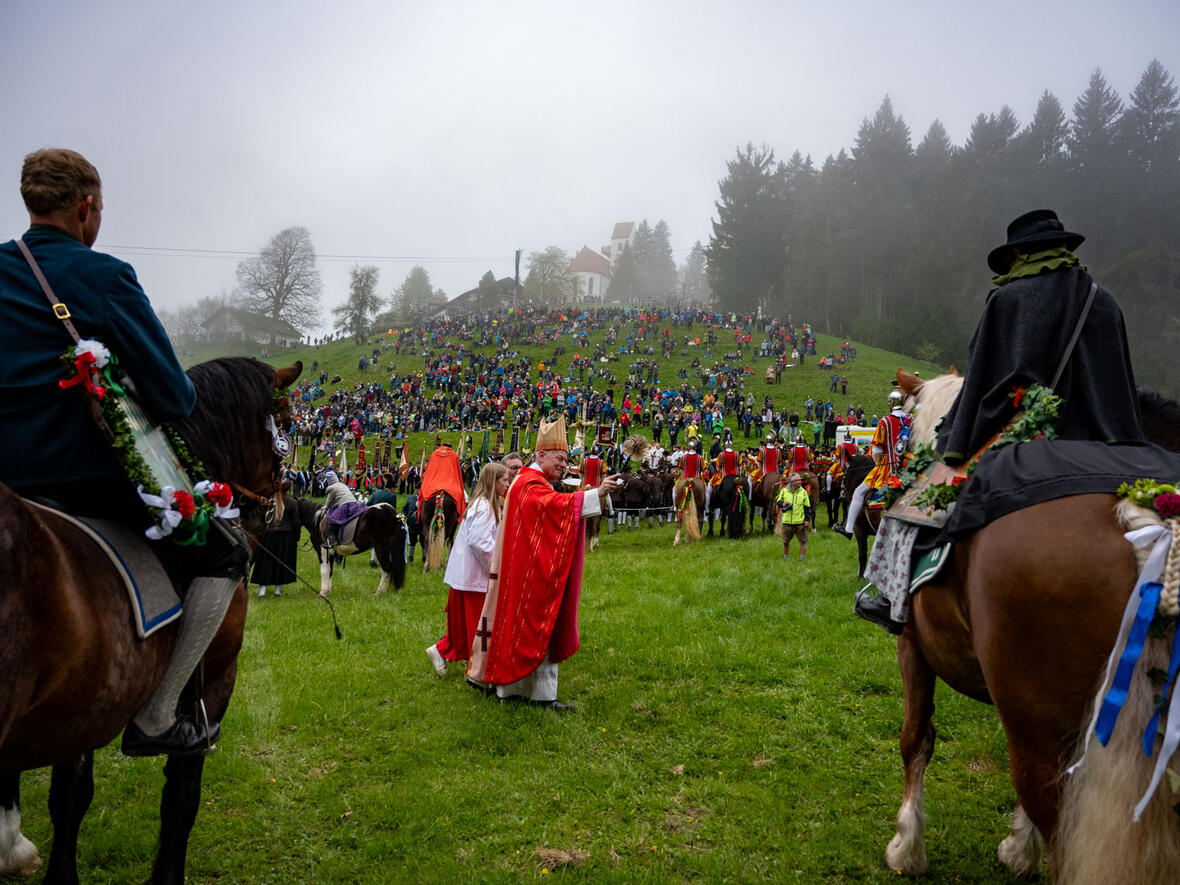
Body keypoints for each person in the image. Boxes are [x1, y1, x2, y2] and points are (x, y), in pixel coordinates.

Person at [0, 148, 247, 756]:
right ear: (86, 209)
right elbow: (173, 393)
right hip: (84, 478)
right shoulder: (106, 277)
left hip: (6, 478)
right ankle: (159, 714)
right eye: (100, 210)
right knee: (225, 552)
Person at [936, 209, 1144, 464]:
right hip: (1110, 439)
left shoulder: (1007, 300)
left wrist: (955, 440)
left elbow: (982, 376)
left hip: (1028, 435)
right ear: (1064, 246)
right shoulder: (1104, 300)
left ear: (1017, 254)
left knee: (962, 497)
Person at [466, 417, 619, 710]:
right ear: (540, 455)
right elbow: (551, 507)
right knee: (538, 622)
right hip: (529, 571)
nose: (563, 464)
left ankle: (518, 691)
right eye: (559, 458)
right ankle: (538, 696)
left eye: (565, 459)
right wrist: (593, 495)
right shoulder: (529, 483)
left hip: (525, 567)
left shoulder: (532, 482)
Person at [426, 462, 508, 676]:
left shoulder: (484, 505)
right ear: (493, 481)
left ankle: (441, 650)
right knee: (479, 629)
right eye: (504, 479)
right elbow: (480, 542)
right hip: (476, 578)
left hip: (470, 576)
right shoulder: (484, 507)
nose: (507, 483)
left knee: (466, 629)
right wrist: (495, 569)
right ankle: (482, 671)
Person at [836, 387, 906, 539]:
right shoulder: (909, 421)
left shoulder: (884, 422)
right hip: (907, 467)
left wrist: (878, 465)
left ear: (892, 403)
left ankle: (848, 529)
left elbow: (876, 452)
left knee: (858, 493)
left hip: (887, 468)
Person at [251, 485, 299, 597]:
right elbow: (296, 522)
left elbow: (262, 517)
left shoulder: (269, 500)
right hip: (286, 536)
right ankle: (278, 589)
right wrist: (296, 537)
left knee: (265, 561)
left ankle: (262, 590)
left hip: (269, 534)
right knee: (282, 561)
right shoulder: (292, 502)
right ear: (289, 489)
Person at [777, 474, 811, 559]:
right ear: (792, 482)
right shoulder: (784, 491)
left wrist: (807, 519)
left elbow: (807, 507)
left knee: (803, 541)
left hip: (800, 522)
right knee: (785, 542)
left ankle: (802, 558)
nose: (800, 481)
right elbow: (778, 502)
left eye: (800, 480)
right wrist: (783, 504)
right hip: (787, 522)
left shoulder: (803, 492)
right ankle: (786, 558)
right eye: (798, 480)